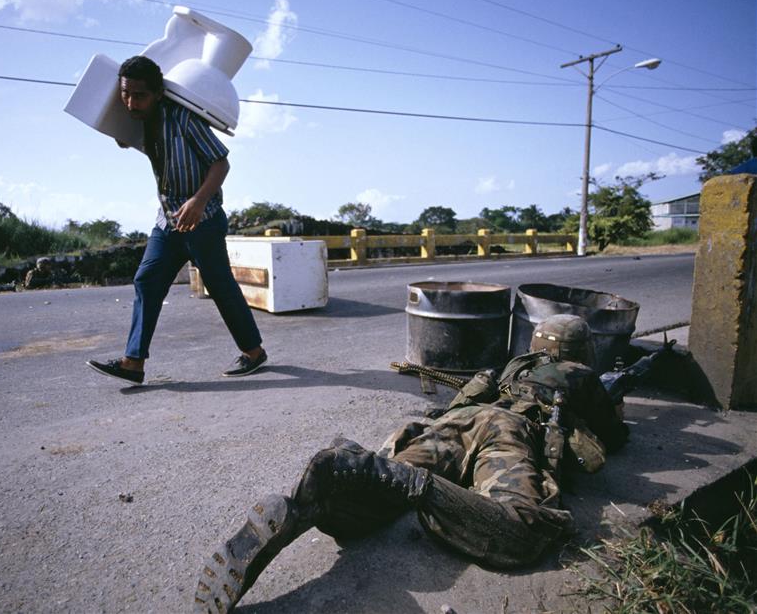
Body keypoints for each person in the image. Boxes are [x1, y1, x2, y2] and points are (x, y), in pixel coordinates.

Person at [193, 314, 629, 613]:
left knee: (380, 488)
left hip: (457, 422)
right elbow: (614, 438)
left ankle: (308, 504)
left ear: (536, 342)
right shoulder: (581, 375)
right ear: (582, 349)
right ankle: (404, 481)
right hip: (506, 430)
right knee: (521, 530)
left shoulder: (516, 366)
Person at [87, 56, 266, 385]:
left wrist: (198, 201)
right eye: (126, 94)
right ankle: (133, 363)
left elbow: (221, 163)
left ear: (157, 93)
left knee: (220, 287)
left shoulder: (183, 119)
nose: (130, 102)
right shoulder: (139, 120)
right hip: (167, 221)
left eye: (139, 95)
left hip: (204, 220)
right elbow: (132, 138)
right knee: (147, 280)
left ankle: (254, 353)